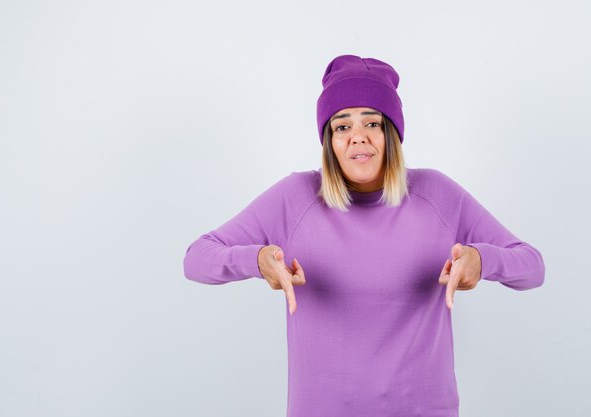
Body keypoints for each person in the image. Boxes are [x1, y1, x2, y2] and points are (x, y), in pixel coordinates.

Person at [183, 54, 545, 417]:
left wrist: (482, 261)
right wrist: (257, 260)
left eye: (371, 122)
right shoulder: (295, 198)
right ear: (329, 140)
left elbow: (532, 266)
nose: (358, 137)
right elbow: (197, 258)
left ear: (391, 133)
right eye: (342, 127)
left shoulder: (438, 196)